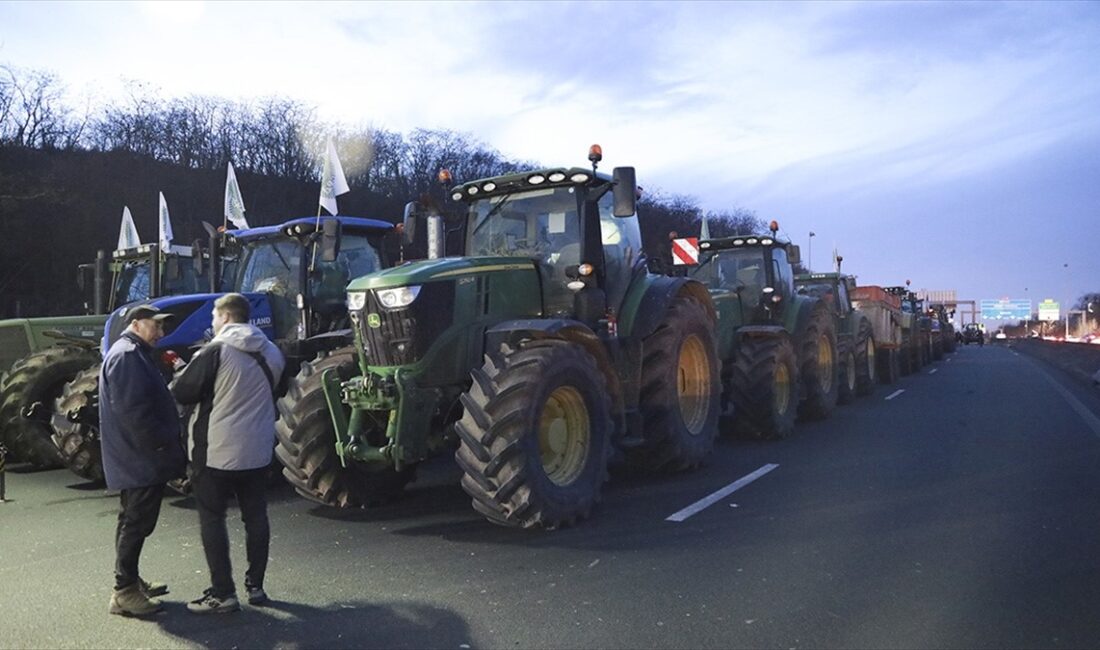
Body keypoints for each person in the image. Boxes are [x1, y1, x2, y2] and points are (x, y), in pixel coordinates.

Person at [172, 293, 285, 614]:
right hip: (258, 451)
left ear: (225, 317)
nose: (212, 323)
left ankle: (224, 593)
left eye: (213, 318)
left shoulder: (215, 352)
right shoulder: (272, 353)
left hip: (215, 453)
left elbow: (183, 392)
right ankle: (257, 586)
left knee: (213, 519)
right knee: (256, 517)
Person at [100, 304, 185, 617]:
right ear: (136, 324)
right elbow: (135, 414)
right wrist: (161, 447)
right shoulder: (126, 357)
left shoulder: (131, 353)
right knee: (136, 524)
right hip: (139, 459)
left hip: (136, 458)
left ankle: (130, 581)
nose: (160, 334)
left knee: (130, 521)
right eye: (156, 326)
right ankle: (124, 592)